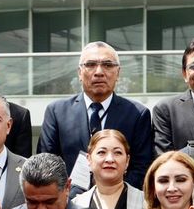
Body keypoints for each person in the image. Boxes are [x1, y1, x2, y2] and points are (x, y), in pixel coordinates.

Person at [37, 41, 153, 187]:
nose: (99, 72)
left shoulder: (137, 114)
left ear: (118, 73)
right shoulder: (57, 112)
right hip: (69, 203)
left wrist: (111, 196)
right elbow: (47, 165)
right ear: (79, 73)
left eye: (108, 65)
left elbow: (141, 168)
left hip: (119, 202)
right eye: (91, 65)